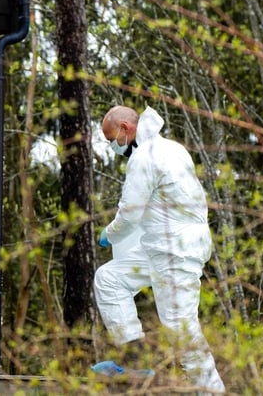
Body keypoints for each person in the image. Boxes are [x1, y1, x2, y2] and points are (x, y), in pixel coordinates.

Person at [92, 105, 225, 394]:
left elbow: (129, 214)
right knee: (109, 279)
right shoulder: (172, 149)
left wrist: (109, 234)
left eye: (111, 137)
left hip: (175, 252)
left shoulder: (145, 157)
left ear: (126, 129)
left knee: (181, 332)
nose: (112, 145)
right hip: (161, 245)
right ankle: (135, 360)